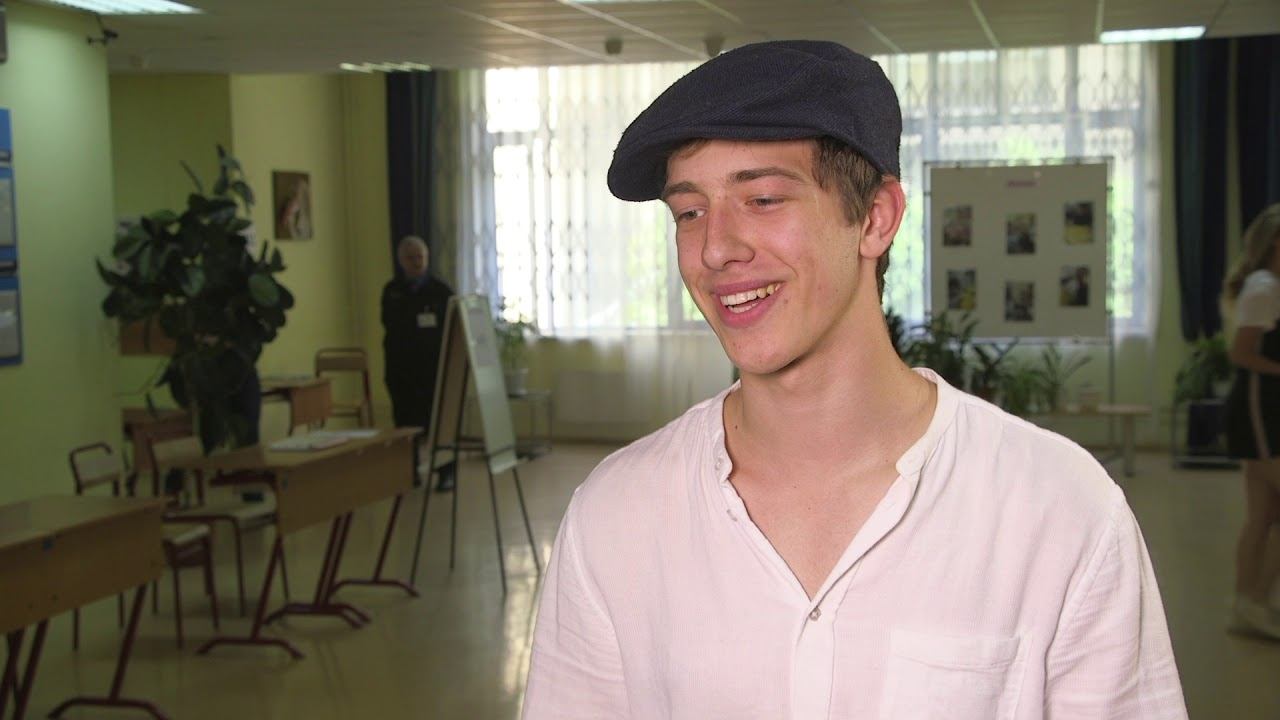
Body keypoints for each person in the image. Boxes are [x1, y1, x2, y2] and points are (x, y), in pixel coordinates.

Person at [522, 40, 1186, 718]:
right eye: (689, 211)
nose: (715, 248)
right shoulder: (617, 514)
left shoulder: (1059, 511)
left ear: (875, 218)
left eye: (763, 198)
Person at [1222, 202, 1280, 638]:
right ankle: (1254, 600)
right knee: (1262, 513)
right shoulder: (1263, 287)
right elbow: (1241, 354)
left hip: (1268, 409)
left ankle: (1248, 604)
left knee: (1262, 513)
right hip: (1259, 410)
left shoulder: (1270, 285)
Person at [382, 235, 456, 491]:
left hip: (433, 370)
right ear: (401, 261)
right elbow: (391, 324)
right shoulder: (392, 290)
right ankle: (409, 471)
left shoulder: (441, 291)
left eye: (420, 257)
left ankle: (446, 472)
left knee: (439, 423)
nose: (416, 262)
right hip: (401, 370)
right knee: (405, 422)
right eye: (411, 258)